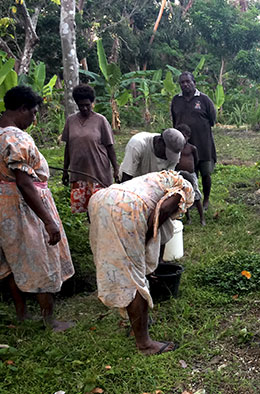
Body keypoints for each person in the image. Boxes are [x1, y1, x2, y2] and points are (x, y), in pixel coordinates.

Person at [0, 86, 74, 332]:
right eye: (33, 113)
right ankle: (49, 320)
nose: (34, 118)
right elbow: (24, 182)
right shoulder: (16, 138)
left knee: (8, 257)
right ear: (22, 109)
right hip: (21, 205)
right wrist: (48, 220)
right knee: (40, 256)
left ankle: (22, 314)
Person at [88, 170, 193, 354]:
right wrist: (141, 241)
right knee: (133, 275)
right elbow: (162, 212)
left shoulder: (157, 178)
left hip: (100, 200)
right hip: (127, 208)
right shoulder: (184, 186)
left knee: (119, 269)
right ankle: (144, 344)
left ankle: (133, 320)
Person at [62, 84, 119, 214]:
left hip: (98, 171)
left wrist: (116, 168)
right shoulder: (71, 121)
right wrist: (65, 170)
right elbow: (68, 147)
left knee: (101, 208)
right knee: (87, 208)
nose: (85, 108)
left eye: (87, 105)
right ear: (76, 104)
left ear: (92, 103)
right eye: (81, 105)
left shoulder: (100, 120)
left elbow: (110, 146)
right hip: (79, 172)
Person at [170, 71, 217, 210]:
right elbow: (174, 121)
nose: (185, 84)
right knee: (188, 174)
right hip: (184, 147)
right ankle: (191, 200)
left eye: (188, 82)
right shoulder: (176, 100)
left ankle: (206, 200)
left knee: (205, 173)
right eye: (182, 82)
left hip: (203, 144)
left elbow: (212, 119)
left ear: (194, 83)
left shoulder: (204, 99)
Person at [118, 128, 186, 182]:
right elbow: (126, 178)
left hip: (153, 186)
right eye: (166, 154)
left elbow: (167, 181)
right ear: (160, 141)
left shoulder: (175, 152)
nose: (166, 158)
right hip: (132, 181)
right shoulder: (137, 144)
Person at [174, 124, 205, 225]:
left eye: (185, 137)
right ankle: (188, 218)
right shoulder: (175, 148)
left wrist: (192, 170)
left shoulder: (192, 148)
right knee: (184, 196)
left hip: (191, 174)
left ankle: (202, 218)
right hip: (180, 175)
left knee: (196, 195)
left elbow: (196, 160)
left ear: (189, 137)